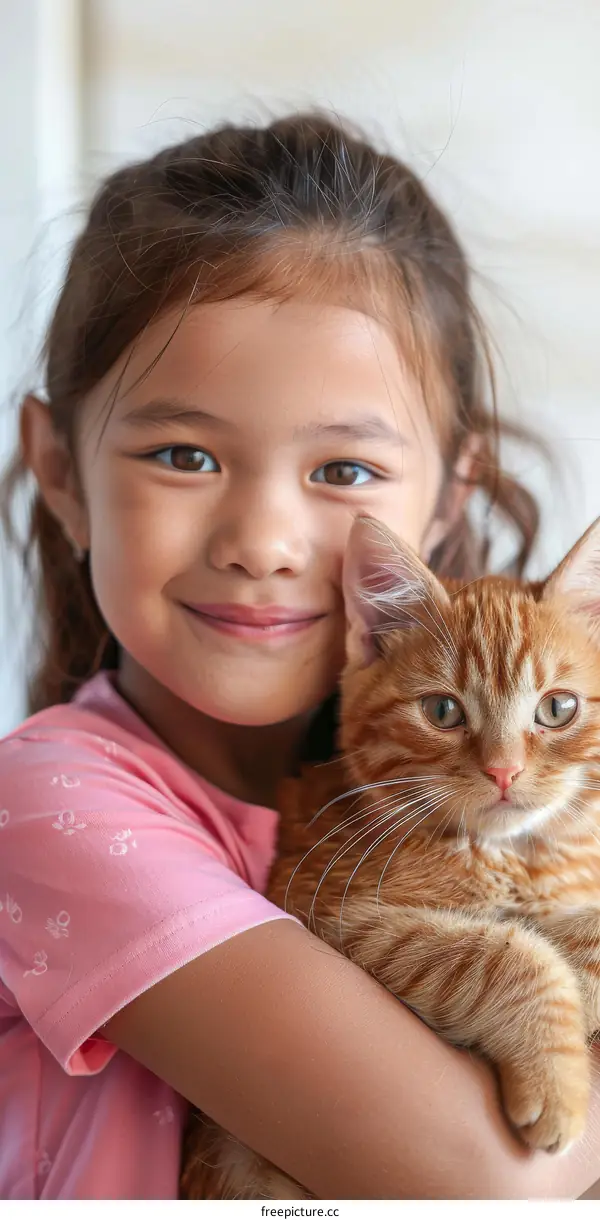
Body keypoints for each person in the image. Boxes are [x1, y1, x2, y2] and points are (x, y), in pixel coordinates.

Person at [0, 112, 598, 1201]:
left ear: (451, 493)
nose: (264, 541)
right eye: (184, 453)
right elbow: (486, 1179)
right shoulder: (43, 805)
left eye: (346, 470)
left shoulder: (430, 788)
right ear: (59, 468)